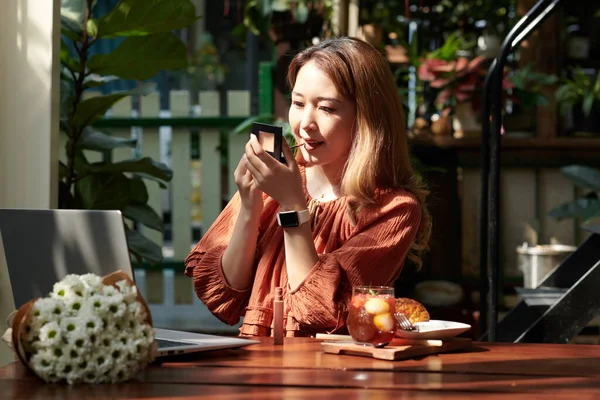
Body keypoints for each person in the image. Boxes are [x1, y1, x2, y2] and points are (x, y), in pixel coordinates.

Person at [184, 37, 431, 337]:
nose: (305, 124)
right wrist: (250, 208)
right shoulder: (278, 179)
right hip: (256, 368)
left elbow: (319, 312)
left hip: (332, 375)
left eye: (326, 108)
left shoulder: (394, 209)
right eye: (298, 103)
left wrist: (292, 207)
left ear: (367, 117)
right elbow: (225, 295)